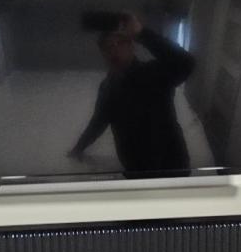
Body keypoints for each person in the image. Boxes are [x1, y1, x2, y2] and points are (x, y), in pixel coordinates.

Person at [69, 12, 194, 176]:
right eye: (108, 47)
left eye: (120, 43)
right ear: (103, 53)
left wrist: (142, 33)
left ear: (131, 46)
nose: (114, 50)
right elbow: (98, 122)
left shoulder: (154, 73)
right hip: (135, 172)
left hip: (172, 170)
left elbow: (186, 63)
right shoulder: (107, 87)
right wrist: (78, 148)